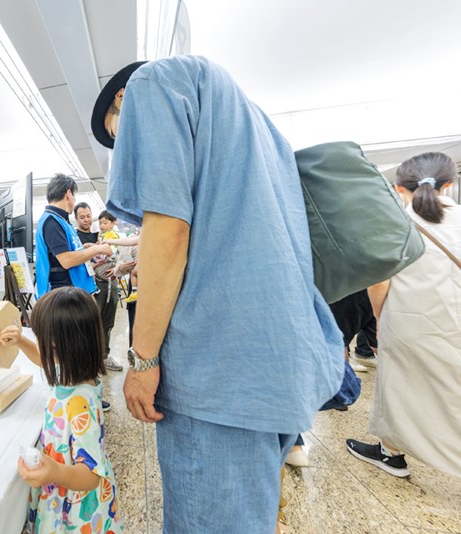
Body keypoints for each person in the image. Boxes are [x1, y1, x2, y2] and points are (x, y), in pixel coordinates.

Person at [91, 56, 343, 532]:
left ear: (122, 99)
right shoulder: (256, 121)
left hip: (218, 364)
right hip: (278, 355)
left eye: (117, 133)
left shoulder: (153, 82)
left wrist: (141, 360)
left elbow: (169, 228)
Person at [347, 151, 461, 478]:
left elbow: (380, 281)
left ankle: (391, 454)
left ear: (399, 188)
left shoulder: (394, 225)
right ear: (449, 184)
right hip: (455, 322)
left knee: (399, 390)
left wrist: (380, 319)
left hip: (411, 320)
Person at [0, 286, 122, 533]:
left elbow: (90, 475)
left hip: (75, 511)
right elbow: (44, 360)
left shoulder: (80, 404)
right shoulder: (71, 372)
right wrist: (21, 341)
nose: (38, 344)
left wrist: (53, 472)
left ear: (57, 345)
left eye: (39, 338)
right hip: (61, 485)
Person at [35, 174, 112, 299]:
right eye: (74, 196)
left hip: (70, 291)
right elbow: (66, 260)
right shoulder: (51, 222)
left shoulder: (61, 220)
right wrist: (96, 249)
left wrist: (83, 248)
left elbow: (60, 253)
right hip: (62, 295)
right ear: (69, 194)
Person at [74, 202, 123, 372]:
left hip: (110, 282)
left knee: (108, 322)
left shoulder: (101, 235)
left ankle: (104, 356)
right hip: (89, 287)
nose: (86, 220)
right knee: (90, 323)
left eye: (88, 216)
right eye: (82, 217)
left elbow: (113, 253)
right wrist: (94, 265)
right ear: (76, 218)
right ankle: (88, 359)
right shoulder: (74, 237)